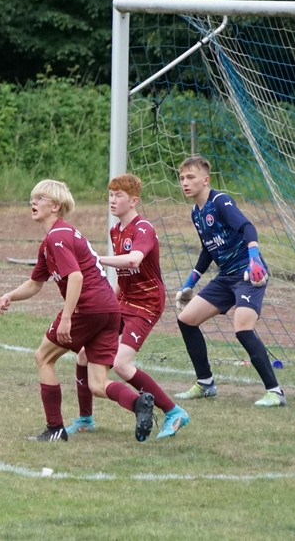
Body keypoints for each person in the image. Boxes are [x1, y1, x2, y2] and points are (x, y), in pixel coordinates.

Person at [0, 179, 156, 443]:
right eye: (33, 198)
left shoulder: (57, 237)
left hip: (88, 307)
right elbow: (35, 283)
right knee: (98, 384)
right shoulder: (55, 238)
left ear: (55, 206)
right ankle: (139, 404)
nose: (33, 202)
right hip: (108, 309)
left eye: (40, 198)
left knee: (43, 357)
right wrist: (9, 296)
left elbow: (76, 277)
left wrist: (67, 318)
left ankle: (55, 428)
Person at [66, 174, 190, 439]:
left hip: (147, 303)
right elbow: (124, 276)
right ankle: (85, 419)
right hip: (123, 301)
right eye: (110, 195)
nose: (112, 200)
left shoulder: (143, 228)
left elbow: (134, 261)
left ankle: (174, 411)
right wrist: (108, 301)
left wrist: (96, 259)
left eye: (119, 195)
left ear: (133, 201)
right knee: (83, 355)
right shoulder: (116, 230)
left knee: (121, 364)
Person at [173, 155, 285, 406]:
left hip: (248, 274)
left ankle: (275, 392)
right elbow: (208, 249)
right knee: (186, 320)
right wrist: (189, 282)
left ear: (206, 180)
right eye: (181, 178)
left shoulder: (220, 201)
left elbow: (247, 228)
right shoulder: (196, 212)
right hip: (225, 277)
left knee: (242, 327)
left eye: (190, 177)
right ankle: (205, 384)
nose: (185, 183)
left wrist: (254, 259)